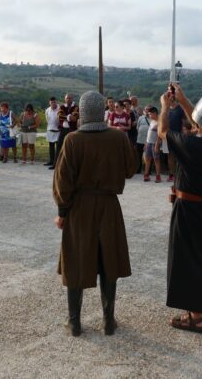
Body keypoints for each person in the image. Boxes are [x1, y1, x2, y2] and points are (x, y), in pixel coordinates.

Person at [53, 91, 136, 337]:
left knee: (76, 260)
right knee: (109, 261)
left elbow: (62, 182)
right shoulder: (118, 137)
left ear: (82, 111)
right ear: (103, 110)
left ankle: (74, 322)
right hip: (109, 206)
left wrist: (62, 212)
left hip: (79, 208)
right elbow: (131, 169)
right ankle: (108, 321)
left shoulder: (73, 140)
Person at [160, 84, 202, 333]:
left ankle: (197, 316)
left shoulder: (193, 145)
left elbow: (163, 132)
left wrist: (166, 107)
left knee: (187, 260)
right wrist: (185, 100)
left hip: (190, 210)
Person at [53, 94, 79, 170]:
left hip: (72, 130)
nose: (68, 99)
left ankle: (72, 166)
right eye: (67, 98)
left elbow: (74, 118)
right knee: (59, 146)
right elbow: (59, 116)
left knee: (73, 147)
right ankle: (56, 164)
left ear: (72, 99)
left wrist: (66, 117)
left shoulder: (76, 107)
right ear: (65, 99)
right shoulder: (62, 107)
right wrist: (68, 117)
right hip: (63, 129)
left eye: (70, 98)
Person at [143, 107, 162, 182]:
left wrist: (157, 144)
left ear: (154, 113)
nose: (149, 115)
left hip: (155, 143)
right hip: (149, 143)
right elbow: (149, 133)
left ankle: (158, 176)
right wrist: (146, 142)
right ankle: (146, 174)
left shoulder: (159, 122)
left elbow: (160, 134)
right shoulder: (152, 121)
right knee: (147, 159)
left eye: (150, 114)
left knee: (156, 160)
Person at [44, 97, 60, 166]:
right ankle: (51, 161)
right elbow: (47, 119)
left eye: (54, 102)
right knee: (51, 147)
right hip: (50, 129)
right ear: (49, 103)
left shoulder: (60, 109)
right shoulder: (47, 110)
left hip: (58, 130)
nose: (53, 103)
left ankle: (57, 162)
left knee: (58, 147)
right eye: (52, 102)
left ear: (56, 102)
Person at [136, 106, 151, 174]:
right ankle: (138, 169)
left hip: (149, 140)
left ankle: (148, 170)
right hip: (140, 139)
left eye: (148, 109)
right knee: (139, 155)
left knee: (148, 155)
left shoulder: (153, 118)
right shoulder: (140, 118)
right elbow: (137, 127)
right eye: (146, 109)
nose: (147, 110)